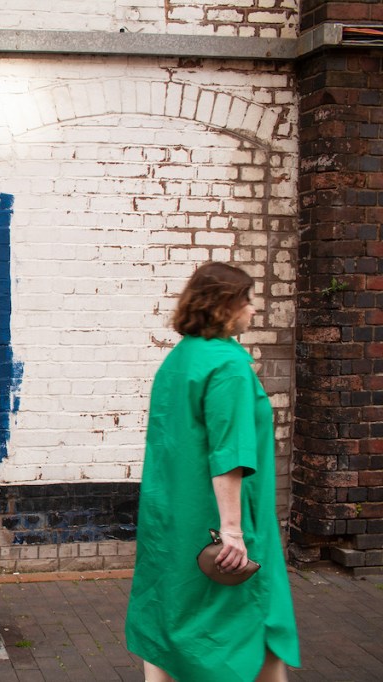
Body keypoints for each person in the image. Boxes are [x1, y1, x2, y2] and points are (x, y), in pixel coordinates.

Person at [125, 262, 300, 681]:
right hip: (216, 520)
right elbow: (230, 455)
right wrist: (233, 531)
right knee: (250, 619)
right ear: (224, 306)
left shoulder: (180, 358)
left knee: (168, 619)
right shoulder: (228, 365)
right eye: (247, 300)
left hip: (170, 519)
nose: (254, 310)